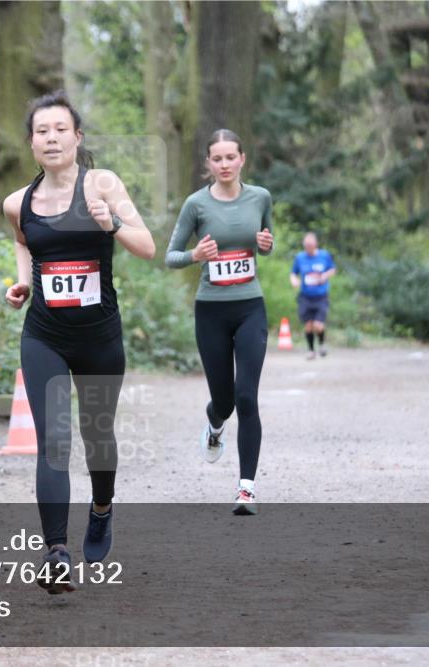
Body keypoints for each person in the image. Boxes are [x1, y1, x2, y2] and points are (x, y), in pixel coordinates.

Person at [2, 91, 155, 593]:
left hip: (99, 337)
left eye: (60, 129)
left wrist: (110, 222)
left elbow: (147, 246)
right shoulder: (16, 203)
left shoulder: (103, 183)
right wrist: (23, 282)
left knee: (98, 439)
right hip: (44, 334)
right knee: (52, 445)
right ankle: (56, 552)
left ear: (77, 137)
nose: (51, 137)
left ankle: (102, 507)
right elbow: (25, 243)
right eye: (42, 131)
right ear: (31, 142)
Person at [165, 129, 274, 516]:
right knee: (225, 402)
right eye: (218, 158)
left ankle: (246, 489)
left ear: (243, 158)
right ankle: (214, 423)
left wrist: (266, 245)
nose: (225, 164)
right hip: (211, 310)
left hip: (250, 307)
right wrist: (195, 254)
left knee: (247, 396)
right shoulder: (196, 204)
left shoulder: (260, 197)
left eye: (231, 157)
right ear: (208, 164)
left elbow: (266, 239)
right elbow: (170, 255)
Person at [289, 232, 336, 360]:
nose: (308, 247)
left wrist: (325, 276)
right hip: (305, 296)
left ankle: (321, 344)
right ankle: (311, 351)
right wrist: (294, 280)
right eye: (306, 245)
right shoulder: (300, 257)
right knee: (309, 325)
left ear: (315, 244)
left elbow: (332, 269)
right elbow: (293, 273)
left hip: (321, 296)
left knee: (318, 325)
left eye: (310, 245)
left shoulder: (324, 256)